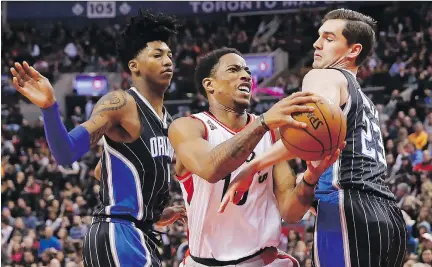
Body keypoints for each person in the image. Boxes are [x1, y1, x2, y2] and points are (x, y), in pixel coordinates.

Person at [220, 9, 408, 267]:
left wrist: (253, 166)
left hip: (346, 210)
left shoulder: (325, 75)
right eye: (319, 36)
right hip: (388, 217)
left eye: (329, 38)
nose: (316, 44)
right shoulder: (366, 102)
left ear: (353, 50)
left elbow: (310, 127)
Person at [10, 9, 186, 267]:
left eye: (170, 55)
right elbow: (66, 153)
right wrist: (49, 108)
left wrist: (151, 213)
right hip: (119, 234)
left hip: (136, 232)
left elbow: (102, 171)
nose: (168, 60)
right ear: (134, 66)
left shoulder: (167, 121)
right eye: (157, 55)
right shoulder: (121, 103)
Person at [168, 47, 341, 266]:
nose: (246, 75)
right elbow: (210, 168)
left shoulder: (271, 133)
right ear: (209, 84)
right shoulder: (189, 127)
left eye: (247, 71)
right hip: (204, 261)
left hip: (262, 260)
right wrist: (263, 122)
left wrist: (310, 177)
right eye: (234, 69)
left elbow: (290, 211)